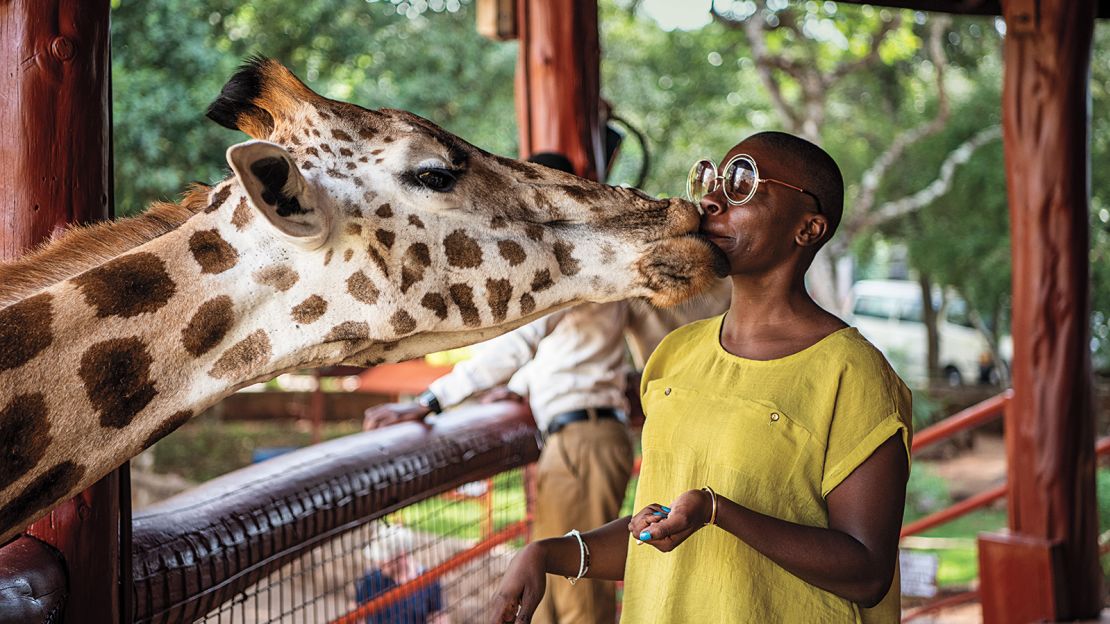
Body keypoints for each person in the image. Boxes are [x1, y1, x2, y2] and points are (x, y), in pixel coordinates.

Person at [492, 132, 912, 623]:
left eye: (743, 185)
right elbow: (664, 536)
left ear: (808, 228)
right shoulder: (675, 355)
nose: (711, 200)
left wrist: (719, 511)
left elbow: (866, 571)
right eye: (712, 180)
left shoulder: (854, 373)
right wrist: (548, 554)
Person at [364, 152, 730, 624]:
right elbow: (556, 348)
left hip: (582, 439)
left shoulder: (568, 273)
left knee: (575, 579)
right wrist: (521, 389)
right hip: (589, 436)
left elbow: (516, 345)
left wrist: (429, 401)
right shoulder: (592, 275)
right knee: (557, 580)